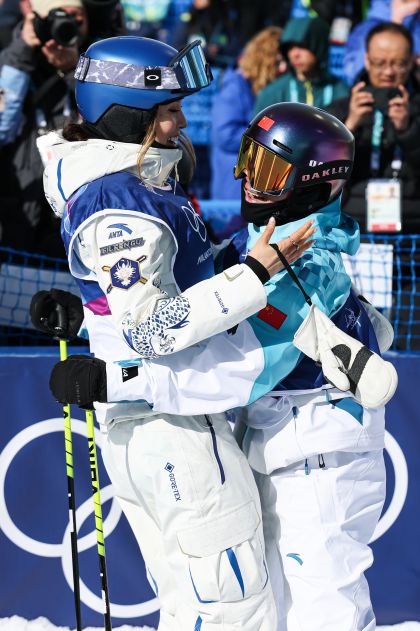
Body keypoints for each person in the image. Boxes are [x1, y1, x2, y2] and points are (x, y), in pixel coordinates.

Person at [42, 102, 397, 631]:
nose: (251, 181)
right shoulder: (266, 241)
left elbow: (232, 367)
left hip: (320, 451)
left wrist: (117, 382)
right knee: (275, 611)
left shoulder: (305, 264)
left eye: (270, 170)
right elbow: (202, 298)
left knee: (323, 610)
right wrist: (92, 316)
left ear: (315, 182)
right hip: (280, 444)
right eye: (248, 161)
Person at [34, 34, 319, 630]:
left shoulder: (137, 183)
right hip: (170, 422)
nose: (182, 122)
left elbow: (153, 294)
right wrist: (251, 275)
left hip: (159, 417)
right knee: (233, 605)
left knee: (192, 601)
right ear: (126, 114)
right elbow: (153, 330)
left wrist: (86, 313)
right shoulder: (121, 201)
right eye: (168, 110)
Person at [210, 25, 285, 202]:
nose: (283, 68)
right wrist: (270, 137)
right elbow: (225, 135)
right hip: (233, 192)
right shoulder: (235, 87)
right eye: (278, 61)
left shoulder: (257, 87)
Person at [254, 16, 349, 113]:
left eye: (301, 46)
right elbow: (258, 122)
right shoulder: (273, 94)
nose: (295, 54)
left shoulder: (340, 92)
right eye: (290, 48)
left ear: (318, 47)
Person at [342, 0, 420, 86]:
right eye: (380, 63)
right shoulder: (368, 28)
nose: (388, 72)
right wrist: (395, 24)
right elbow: (354, 74)